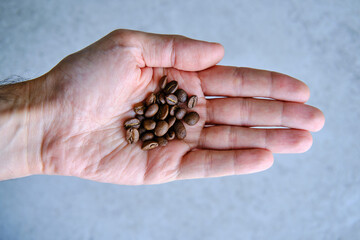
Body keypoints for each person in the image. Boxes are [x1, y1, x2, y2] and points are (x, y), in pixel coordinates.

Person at [0, 29, 324, 185]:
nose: (164, 109)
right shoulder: (158, 114)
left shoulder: (167, 111)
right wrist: (42, 120)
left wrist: (39, 118)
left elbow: (166, 116)